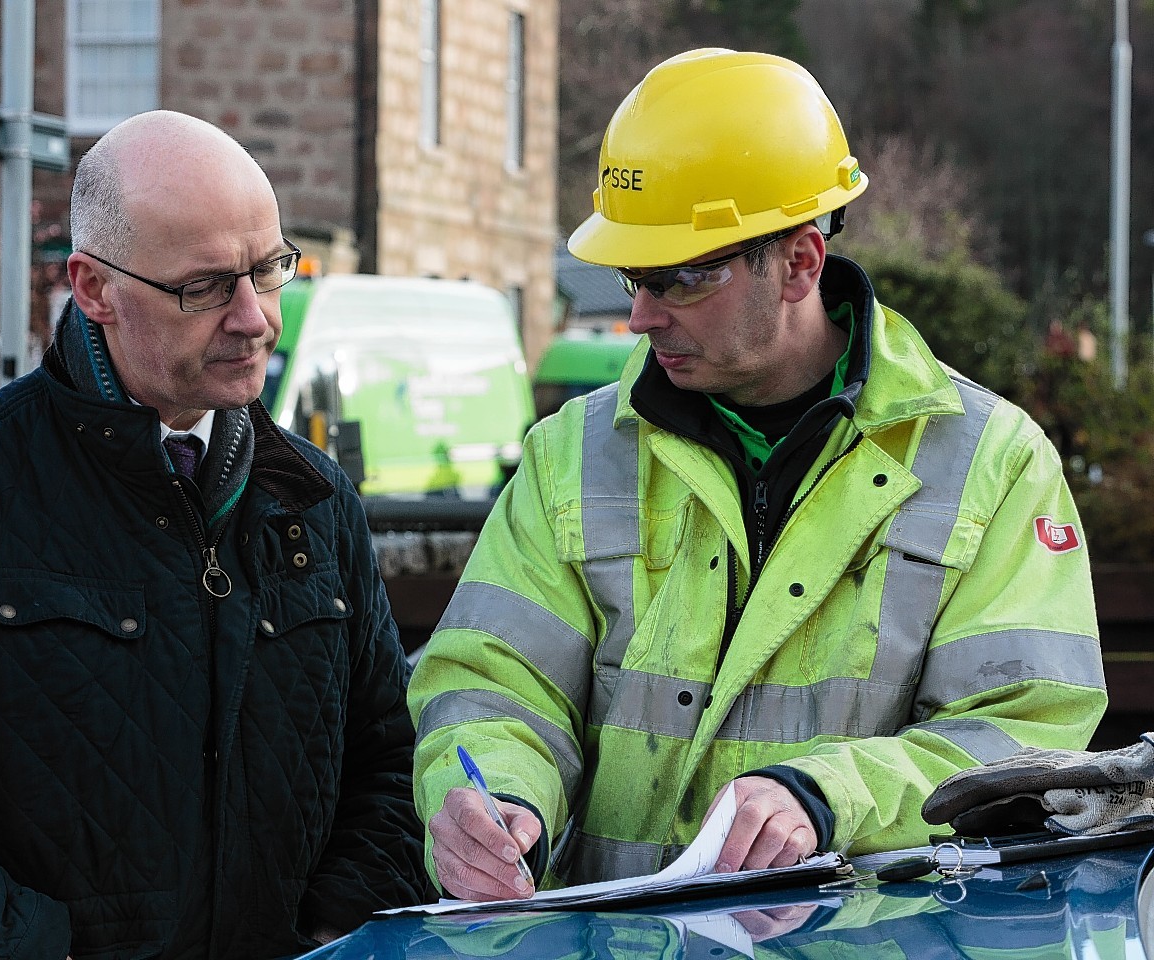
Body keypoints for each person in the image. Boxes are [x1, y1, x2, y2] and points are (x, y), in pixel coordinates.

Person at [407, 48, 1107, 902]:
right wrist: (501, 802)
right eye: (633, 276)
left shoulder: (992, 465)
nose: (638, 315)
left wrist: (827, 797)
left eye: (682, 278)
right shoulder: (570, 456)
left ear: (803, 262)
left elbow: (1025, 739)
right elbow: (493, 680)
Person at [0, 110, 428, 958]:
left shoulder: (315, 497)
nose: (255, 318)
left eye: (270, 269)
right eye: (206, 286)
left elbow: (391, 765)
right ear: (92, 288)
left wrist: (336, 929)